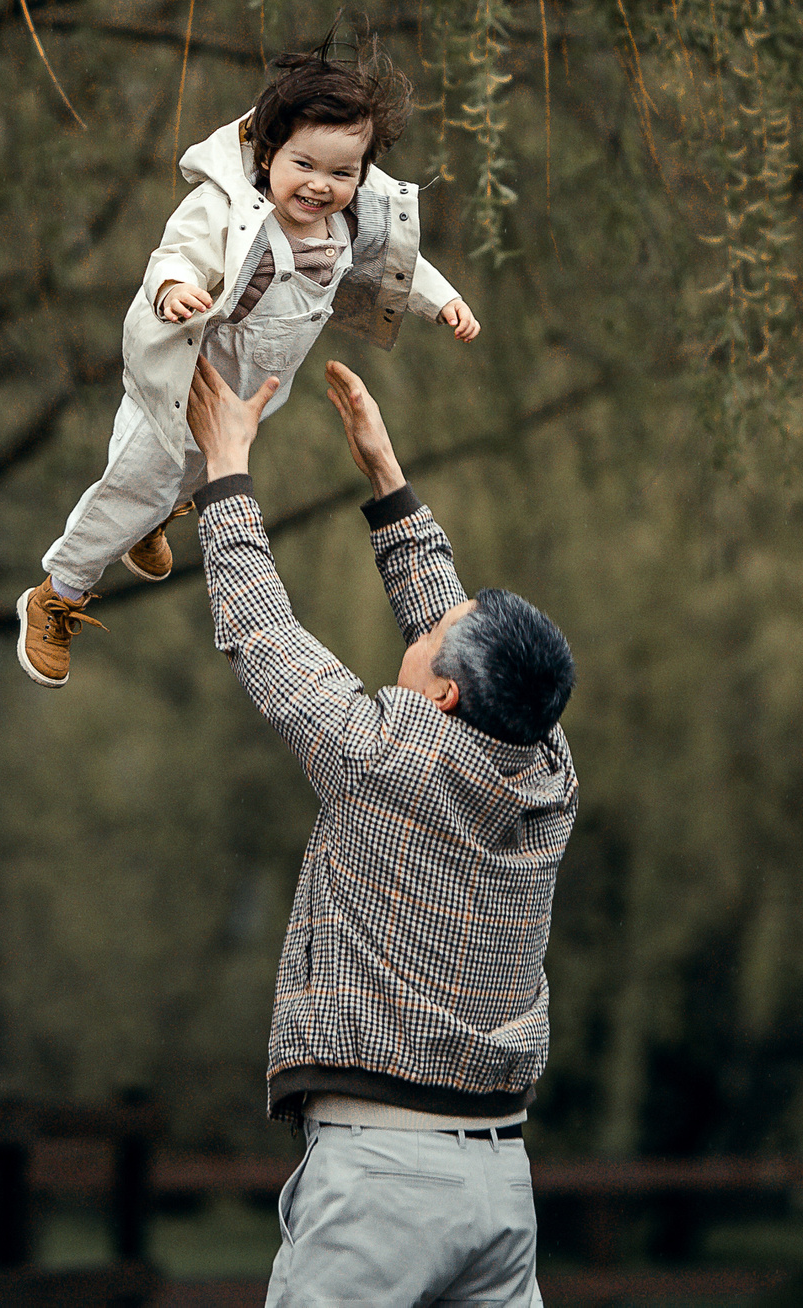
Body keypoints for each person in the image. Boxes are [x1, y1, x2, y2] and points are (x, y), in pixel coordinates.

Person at [185, 354, 578, 1308]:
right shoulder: (550, 775)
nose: (429, 622)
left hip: (383, 1181)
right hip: (499, 1185)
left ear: (441, 694)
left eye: (438, 631)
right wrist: (386, 480)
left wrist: (226, 472)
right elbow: (460, 646)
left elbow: (263, 634)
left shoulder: (377, 762)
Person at [16, 41, 480, 686]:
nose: (320, 186)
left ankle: (152, 517)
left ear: (362, 176)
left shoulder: (348, 226)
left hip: (247, 397)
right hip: (182, 381)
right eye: (304, 165)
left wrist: (445, 302)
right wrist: (175, 291)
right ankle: (58, 590)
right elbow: (174, 255)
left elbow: (400, 267)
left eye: (342, 174)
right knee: (134, 485)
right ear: (268, 156)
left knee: (202, 471)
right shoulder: (228, 211)